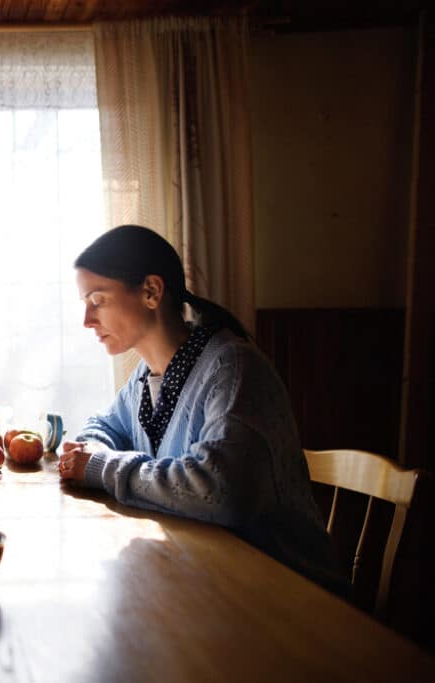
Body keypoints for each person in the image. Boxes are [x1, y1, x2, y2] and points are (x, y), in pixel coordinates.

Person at [57, 225, 347, 595]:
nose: (87, 320)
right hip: (215, 580)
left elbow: (220, 490)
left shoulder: (233, 368)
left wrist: (100, 466)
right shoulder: (147, 376)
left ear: (151, 291)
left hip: (292, 595)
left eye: (98, 300)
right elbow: (104, 426)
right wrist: (92, 449)